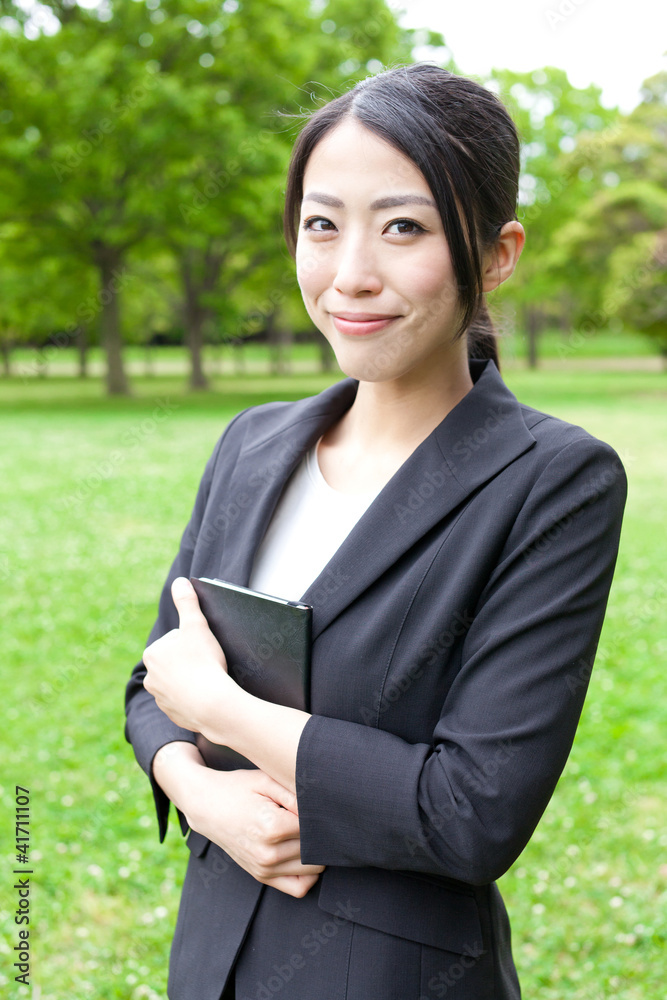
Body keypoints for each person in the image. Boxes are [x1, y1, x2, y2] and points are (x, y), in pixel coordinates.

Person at [125, 64, 627, 1000]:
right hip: (212, 960)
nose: (350, 273)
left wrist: (226, 713)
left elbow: (470, 811)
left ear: (497, 252)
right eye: (322, 225)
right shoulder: (254, 442)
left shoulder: (551, 482)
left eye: (404, 227)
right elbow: (156, 677)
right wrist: (201, 791)